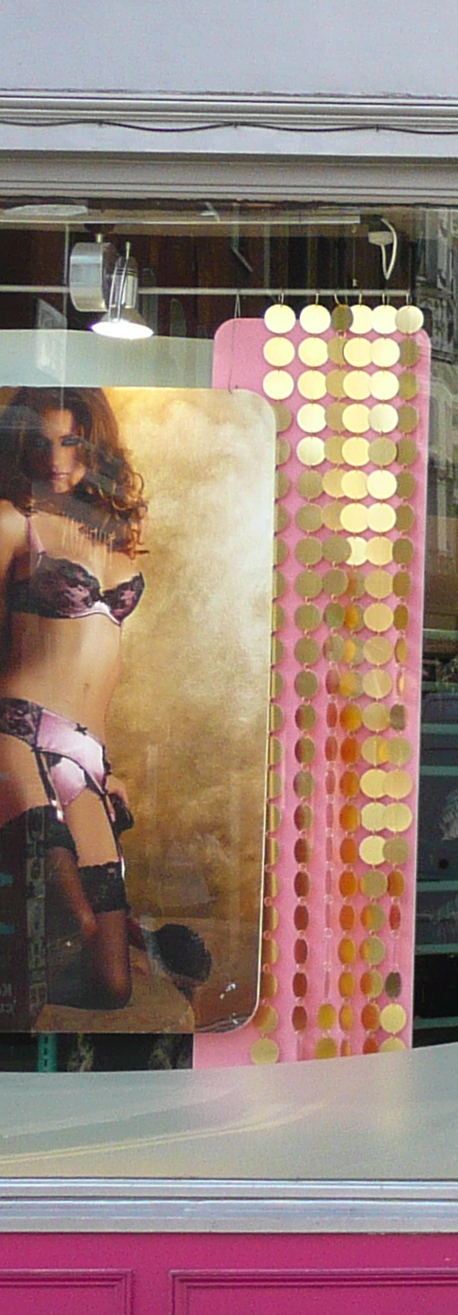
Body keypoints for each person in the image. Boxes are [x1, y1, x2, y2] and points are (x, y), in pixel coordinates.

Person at [0, 390, 249, 1043]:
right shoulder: (9, 521)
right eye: (39, 441)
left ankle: (120, 946)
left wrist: (106, 765)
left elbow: (103, 665)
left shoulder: (115, 536)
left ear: (96, 445)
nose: (54, 458)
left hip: (85, 756)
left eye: (70, 442)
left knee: (110, 986)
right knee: (70, 919)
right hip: (16, 737)